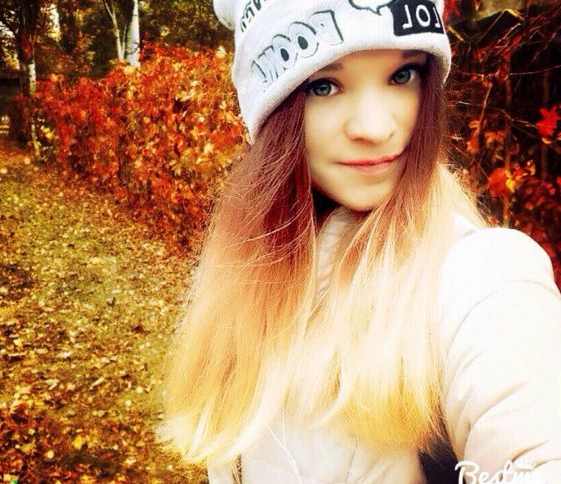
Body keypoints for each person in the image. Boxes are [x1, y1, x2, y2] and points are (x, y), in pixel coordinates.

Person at [159, 0, 561, 482]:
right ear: (270, 109)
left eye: (402, 76)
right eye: (323, 85)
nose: (375, 128)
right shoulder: (244, 279)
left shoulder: (485, 279)